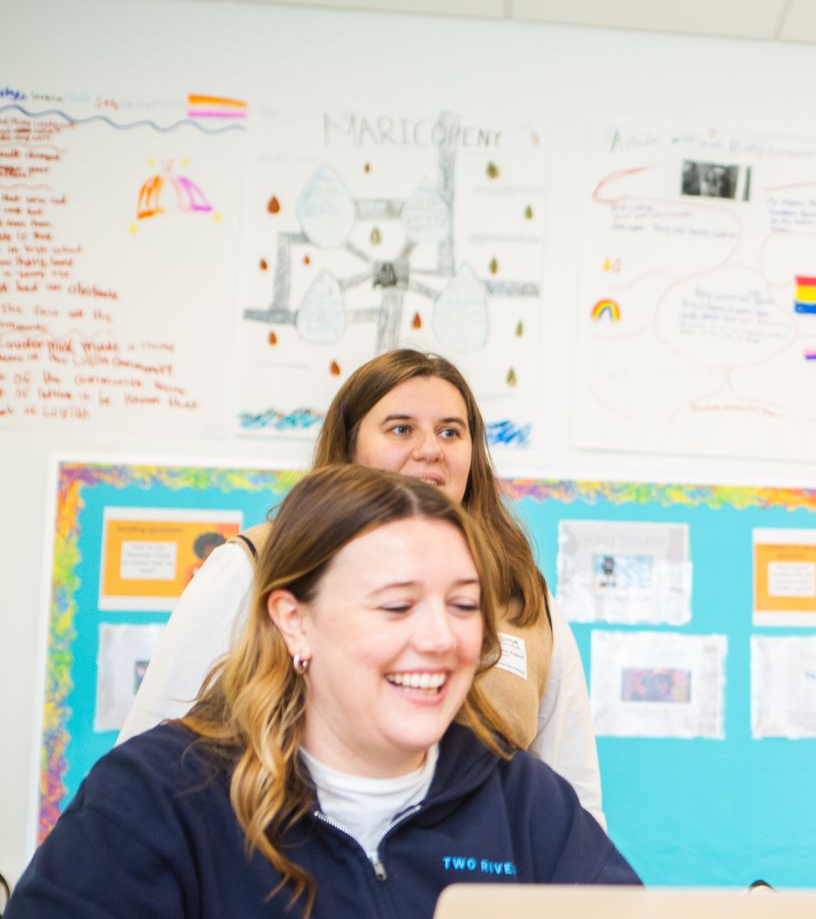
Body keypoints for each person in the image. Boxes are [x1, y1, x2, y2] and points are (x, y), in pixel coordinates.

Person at [0, 466, 639, 919]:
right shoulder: (158, 796)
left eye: (463, 605)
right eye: (396, 606)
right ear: (294, 621)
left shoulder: (524, 802)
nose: (441, 639)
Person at [121, 350, 604, 825]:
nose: (430, 448)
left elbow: (573, 795)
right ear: (349, 447)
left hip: (475, 889)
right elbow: (155, 756)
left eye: (450, 432)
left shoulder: (521, 592)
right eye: (401, 428)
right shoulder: (253, 565)